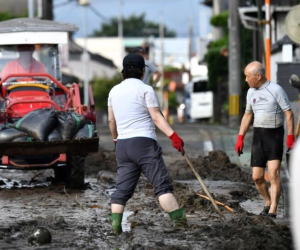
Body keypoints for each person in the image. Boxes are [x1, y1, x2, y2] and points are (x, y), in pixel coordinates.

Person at [107, 53, 188, 235]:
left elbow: (111, 121)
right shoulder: (146, 90)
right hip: (143, 143)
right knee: (162, 187)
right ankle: (182, 226)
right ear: (143, 71)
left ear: (123, 72)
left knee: (121, 190)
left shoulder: (113, 91)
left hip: (122, 145)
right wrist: (173, 135)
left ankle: (115, 229)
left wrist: (115, 139)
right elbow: (156, 117)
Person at [235, 61, 295, 218]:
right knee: (257, 176)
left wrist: (290, 137)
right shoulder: (250, 92)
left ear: (258, 76)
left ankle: (274, 209)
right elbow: (248, 115)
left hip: (274, 136)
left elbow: (288, 113)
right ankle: (268, 202)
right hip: (258, 136)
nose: (246, 80)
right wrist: (240, 137)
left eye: (248, 77)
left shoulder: (276, 90)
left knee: (274, 173)